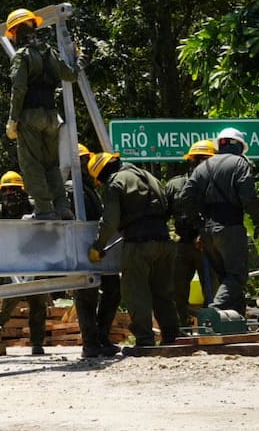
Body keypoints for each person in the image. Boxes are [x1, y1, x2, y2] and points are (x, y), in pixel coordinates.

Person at [86, 152, 179, 350]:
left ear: (103, 173)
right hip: (164, 241)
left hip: (138, 245)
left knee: (136, 293)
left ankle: (145, 341)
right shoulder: (149, 177)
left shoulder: (116, 183)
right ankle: (172, 338)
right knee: (162, 293)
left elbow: (110, 222)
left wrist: (98, 246)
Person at [177, 127, 259, 314]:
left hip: (207, 232)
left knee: (226, 278)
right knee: (237, 276)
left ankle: (237, 320)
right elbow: (249, 197)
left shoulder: (203, 167)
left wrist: (199, 224)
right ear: (240, 146)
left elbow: (185, 197)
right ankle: (214, 311)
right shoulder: (239, 163)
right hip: (230, 227)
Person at [4, 8, 80, 220]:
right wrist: (81, 60)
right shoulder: (50, 53)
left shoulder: (22, 56)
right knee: (51, 164)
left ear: (16, 31)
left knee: (32, 163)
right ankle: (62, 207)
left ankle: (44, 210)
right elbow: (71, 75)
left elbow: (19, 89)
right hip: (51, 117)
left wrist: (13, 119)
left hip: (30, 116)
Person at [0, 171, 49, 356]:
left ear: (22, 191)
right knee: (12, 291)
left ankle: (37, 343)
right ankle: (0, 322)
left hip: (36, 259)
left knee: (38, 304)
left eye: (13, 190)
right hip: (13, 259)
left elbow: (49, 216)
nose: (9, 194)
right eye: (5, 190)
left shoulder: (32, 207)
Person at [71, 144, 122, 358]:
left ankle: (101, 337)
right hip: (81, 251)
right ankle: (90, 344)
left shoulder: (90, 189)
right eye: (80, 161)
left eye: (85, 160)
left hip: (99, 250)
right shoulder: (70, 189)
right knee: (86, 296)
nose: (84, 165)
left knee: (113, 291)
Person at [166, 140, 218, 326]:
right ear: (191, 161)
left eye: (206, 159)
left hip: (208, 245)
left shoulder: (216, 184)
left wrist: (205, 235)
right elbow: (164, 214)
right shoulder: (175, 185)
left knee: (211, 288)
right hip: (182, 245)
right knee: (176, 289)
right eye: (198, 159)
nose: (201, 163)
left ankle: (210, 324)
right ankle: (181, 325)